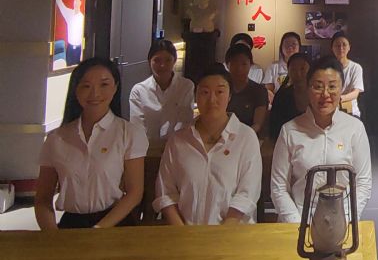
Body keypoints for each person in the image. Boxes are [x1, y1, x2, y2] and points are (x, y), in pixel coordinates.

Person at [35, 58, 147, 229]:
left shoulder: (129, 133)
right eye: (86, 86)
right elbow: (43, 198)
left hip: (113, 223)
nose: (95, 93)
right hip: (72, 224)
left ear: (115, 87)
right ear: (76, 89)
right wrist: (52, 235)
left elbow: (134, 193)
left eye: (104, 85)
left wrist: (98, 230)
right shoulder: (56, 138)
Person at [154, 63, 262, 225]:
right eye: (205, 92)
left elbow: (247, 194)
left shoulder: (246, 138)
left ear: (229, 96)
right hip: (185, 234)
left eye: (219, 92)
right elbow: (166, 192)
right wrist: (183, 233)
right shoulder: (178, 140)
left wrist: (221, 235)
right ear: (196, 96)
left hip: (233, 234)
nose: (212, 100)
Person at [270, 56, 372, 223]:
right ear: (308, 89)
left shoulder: (355, 129)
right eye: (318, 87)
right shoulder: (289, 131)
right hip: (297, 220)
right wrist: (298, 225)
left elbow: (363, 183)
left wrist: (344, 219)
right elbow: (278, 187)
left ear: (341, 89)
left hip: (342, 221)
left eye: (332, 86)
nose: (325, 94)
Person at [129, 39, 195, 147]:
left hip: (177, 147)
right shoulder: (139, 91)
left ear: (175, 61)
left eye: (168, 60)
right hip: (147, 148)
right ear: (149, 61)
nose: (162, 65)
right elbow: (137, 127)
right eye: (157, 60)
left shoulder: (186, 86)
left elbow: (185, 121)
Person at [225, 44, 268, 137]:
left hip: (248, 137)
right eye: (234, 63)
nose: (239, 68)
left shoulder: (259, 91)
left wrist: (240, 138)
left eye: (244, 64)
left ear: (250, 65)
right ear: (227, 65)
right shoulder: (222, 89)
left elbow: (257, 124)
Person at [268, 53, 310, 142]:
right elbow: (275, 128)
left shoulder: (317, 94)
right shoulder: (282, 96)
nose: (298, 74)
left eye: (302, 69)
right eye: (293, 69)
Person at [330, 31, 365, 118]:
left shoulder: (356, 67)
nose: (341, 48)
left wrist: (340, 99)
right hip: (331, 111)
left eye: (344, 45)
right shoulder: (328, 68)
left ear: (349, 47)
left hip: (351, 112)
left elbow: (355, 92)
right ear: (332, 48)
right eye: (337, 45)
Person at [55, 0, 84, 65]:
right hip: (70, 48)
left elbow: (82, 36)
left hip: (78, 49)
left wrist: (82, 53)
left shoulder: (82, 18)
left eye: (77, 1)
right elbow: (61, 5)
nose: (75, 3)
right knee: (68, 67)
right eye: (74, 0)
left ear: (80, 2)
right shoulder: (69, 13)